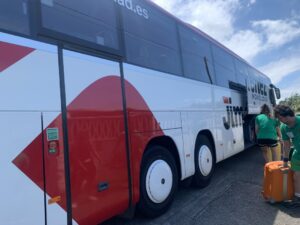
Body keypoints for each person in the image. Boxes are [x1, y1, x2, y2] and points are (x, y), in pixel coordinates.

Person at [274, 104, 300, 204]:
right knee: (296, 177)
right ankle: (298, 199)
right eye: (278, 118)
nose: (280, 120)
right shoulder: (284, 127)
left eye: (280, 117)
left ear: (287, 114)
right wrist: (285, 160)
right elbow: (286, 145)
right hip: (297, 155)